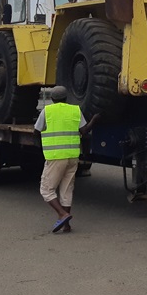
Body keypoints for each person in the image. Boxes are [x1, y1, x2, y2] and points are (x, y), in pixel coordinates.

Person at [33, 86, 98, 233]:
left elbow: (36, 131)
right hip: (72, 156)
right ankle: (66, 225)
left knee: (46, 190)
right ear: (66, 98)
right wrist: (94, 119)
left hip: (56, 157)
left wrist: (39, 145)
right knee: (66, 189)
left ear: (52, 99)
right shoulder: (75, 110)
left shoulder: (47, 111)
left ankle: (62, 214)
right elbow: (84, 131)